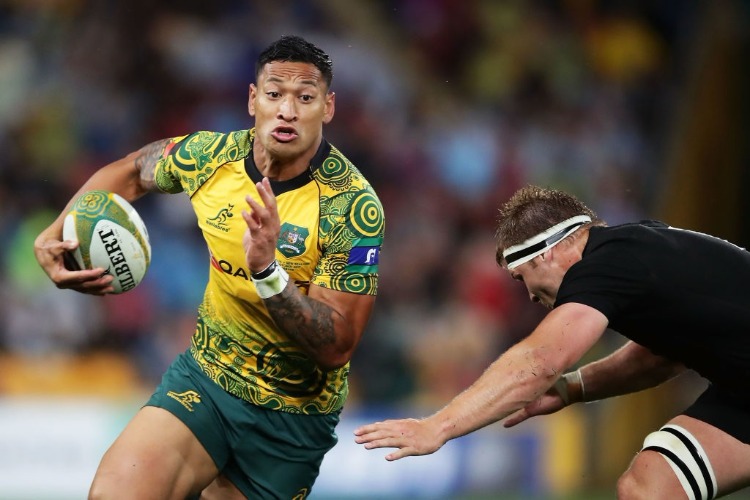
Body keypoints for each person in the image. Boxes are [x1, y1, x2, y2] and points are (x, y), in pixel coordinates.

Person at [34, 35, 385, 499]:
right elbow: (131, 171)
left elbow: (337, 344)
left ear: (328, 107)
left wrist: (266, 272)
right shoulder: (208, 157)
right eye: (275, 93)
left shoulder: (352, 206)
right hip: (207, 380)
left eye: (305, 97)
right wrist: (59, 230)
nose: (287, 110)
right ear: (252, 99)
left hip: (291, 419)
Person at [354, 185, 750, 499]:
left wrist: (437, 427)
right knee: (651, 487)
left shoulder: (601, 266)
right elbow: (660, 358)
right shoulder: (632, 254)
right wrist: (572, 389)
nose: (527, 295)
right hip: (739, 392)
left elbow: (540, 359)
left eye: (519, 275)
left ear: (545, 254)